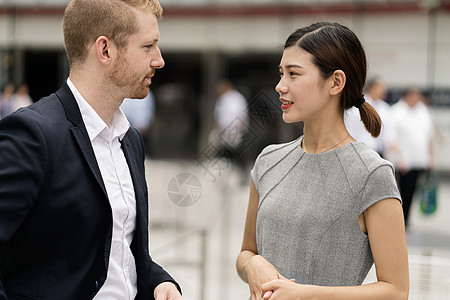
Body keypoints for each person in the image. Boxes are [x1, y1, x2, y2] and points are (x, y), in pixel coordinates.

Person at [0, 0, 182, 299]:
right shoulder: (32, 136)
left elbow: (121, 256)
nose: (159, 60)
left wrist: (160, 282)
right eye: (148, 46)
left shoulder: (130, 140)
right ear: (105, 50)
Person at [236, 22, 409, 300]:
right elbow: (246, 253)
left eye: (293, 74)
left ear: (336, 82)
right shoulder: (269, 161)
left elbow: (396, 290)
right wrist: (252, 263)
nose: (280, 86)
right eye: (281, 74)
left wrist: (306, 294)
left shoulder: (371, 174)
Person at [390, 87, 434, 226]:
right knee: (402, 191)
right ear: (407, 96)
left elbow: (428, 137)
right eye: (413, 96)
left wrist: (430, 158)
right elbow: (391, 138)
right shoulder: (397, 112)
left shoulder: (423, 111)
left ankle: (406, 219)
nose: (416, 98)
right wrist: (399, 159)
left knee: (412, 191)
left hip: (419, 159)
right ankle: (399, 220)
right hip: (404, 161)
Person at [345, 77, 398, 157]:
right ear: (372, 88)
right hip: (359, 151)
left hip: (377, 152)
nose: (384, 91)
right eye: (381, 88)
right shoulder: (357, 106)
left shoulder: (384, 107)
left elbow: (389, 133)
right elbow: (350, 129)